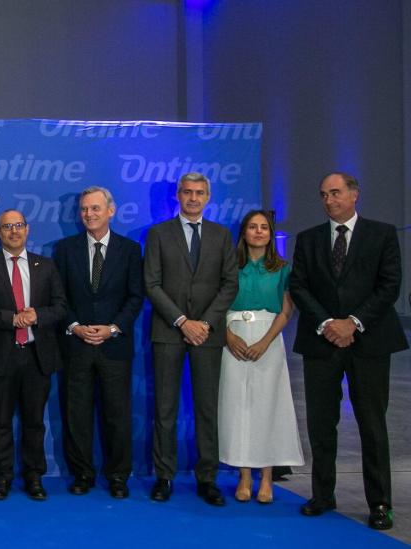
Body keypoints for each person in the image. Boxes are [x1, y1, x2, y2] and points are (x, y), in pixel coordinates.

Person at [290, 172, 407, 530]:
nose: (329, 200)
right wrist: (328, 324)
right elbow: (299, 285)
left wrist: (352, 323)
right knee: (322, 425)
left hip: (369, 342)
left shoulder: (382, 234)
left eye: (336, 193)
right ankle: (323, 495)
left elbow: (390, 286)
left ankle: (380, 503)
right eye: (324, 194)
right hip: (321, 343)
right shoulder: (308, 239)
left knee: (372, 425)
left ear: (354, 195)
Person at [144, 171, 238, 506]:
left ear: (208, 197)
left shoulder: (222, 235)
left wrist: (206, 324)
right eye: (187, 192)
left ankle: (207, 478)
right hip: (169, 331)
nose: (193, 198)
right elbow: (151, 284)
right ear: (178, 196)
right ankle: (164, 476)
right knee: (165, 408)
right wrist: (183, 321)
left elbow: (230, 284)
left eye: (199, 193)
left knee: (206, 409)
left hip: (208, 335)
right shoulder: (158, 234)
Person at [53, 186, 143, 499]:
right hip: (76, 346)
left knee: (117, 414)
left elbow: (135, 296)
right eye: (84, 210)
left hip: (114, 346)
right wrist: (75, 327)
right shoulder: (64, 249)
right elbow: (58, 297)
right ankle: (82, 474)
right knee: (76, 415)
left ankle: (118, 476)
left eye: (95, 209)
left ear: (110, 211)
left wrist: (113, 328)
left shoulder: (130, 250)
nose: (88, 215)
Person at [0, 210, 67, 501]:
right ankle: (1, 478)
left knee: (34, 421)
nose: (13, 231)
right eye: (7, 227)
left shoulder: (46, 266)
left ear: (27, 230)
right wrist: (10, 319)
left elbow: (61, 306)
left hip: (37, 355)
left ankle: (34, 477)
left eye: (18, 226)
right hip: (1, 354)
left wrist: (38, 315)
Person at [218, 209, 303, 504]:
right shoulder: (229, 265)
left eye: (264, 227)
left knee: (268, 407)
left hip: (268, 338)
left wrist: (267, 341)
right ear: (243, 232)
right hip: (233, 337)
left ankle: (266, 478)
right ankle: (243, 476)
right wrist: (228, 335)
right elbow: (217, 305)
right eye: (252, 227)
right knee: (238, 407)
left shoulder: (281, 268)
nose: (258, 232)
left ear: (270, 233)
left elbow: (286, 310)